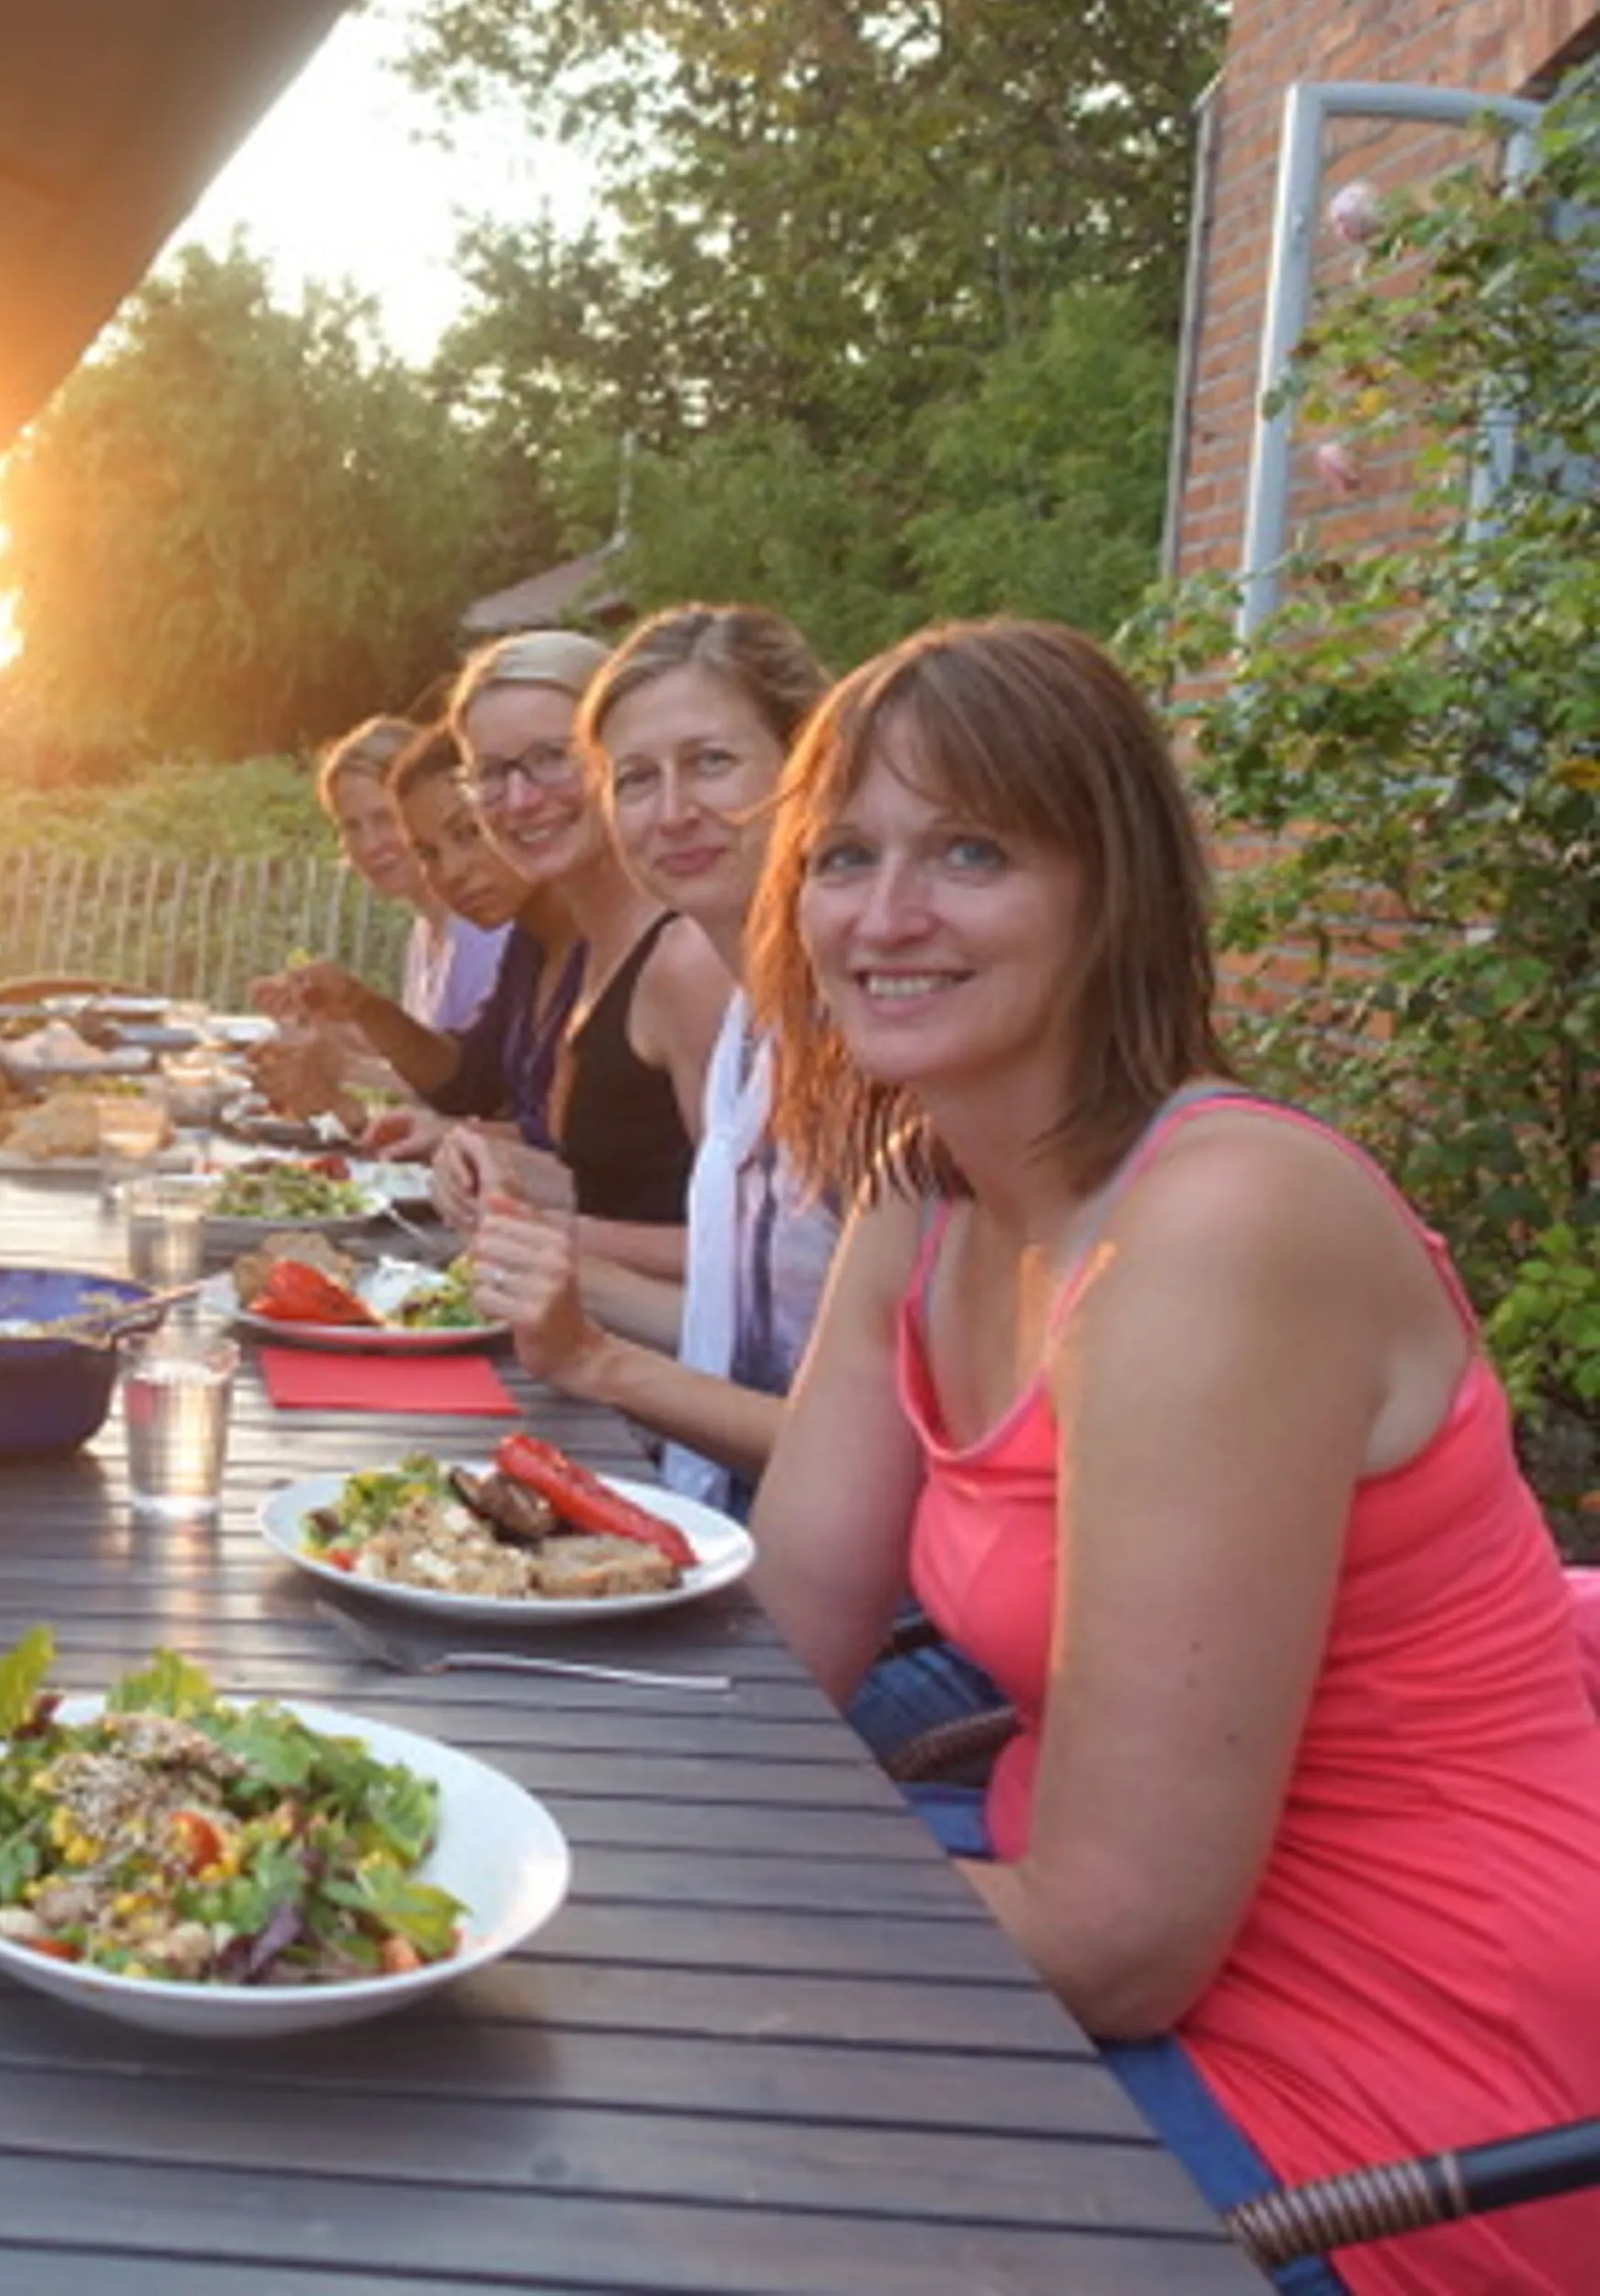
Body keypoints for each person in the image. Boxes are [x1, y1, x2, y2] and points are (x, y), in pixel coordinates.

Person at [746, 618, 1600, 2296]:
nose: (886, 914)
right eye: (844, 857)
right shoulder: (929, 1193)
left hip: (1399, 2076)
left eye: (970, 851)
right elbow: (776, 1655)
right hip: (1080, 1930)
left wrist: (658, 1919)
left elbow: (1124, 1942)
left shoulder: (1221, 1225)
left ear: (1107, 886)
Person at [460, 606, 839, 1513]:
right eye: (636, 778)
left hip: (833, 1585)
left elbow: (870, 1445)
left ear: (809, 772)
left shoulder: (864, 1041)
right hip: (721, 1504)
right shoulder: (757, 1023)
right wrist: (564, 1281)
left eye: (711, 762)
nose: (673, 812)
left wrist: (595, 1354)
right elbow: (741, 1326)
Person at [271, 633, 727, 1274]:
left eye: (553, 758)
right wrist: (477, 1156)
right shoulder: (569, 946)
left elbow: (744, 1253)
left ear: (617, 760)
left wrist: (532, 1230)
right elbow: (588, 1169)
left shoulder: (686, 958)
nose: (519, 800)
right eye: (491, 774)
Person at [249, 717, 512, 1055]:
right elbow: (426, 1060)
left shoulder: (482, 934)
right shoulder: (427, 929)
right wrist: (319, 1022)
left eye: (384, 819)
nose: (370, 845)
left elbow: (471, 1090)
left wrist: (340, 1066)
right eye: (352, 827)